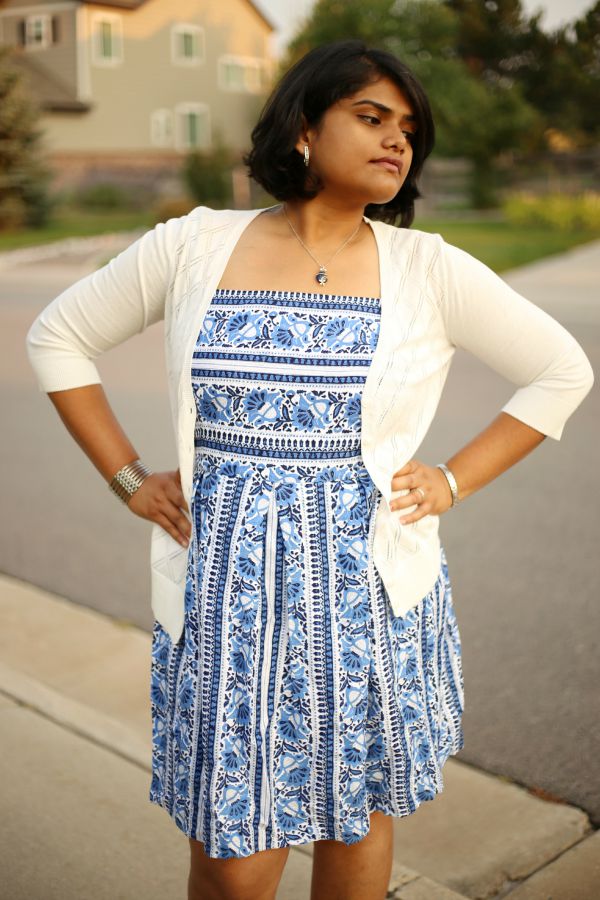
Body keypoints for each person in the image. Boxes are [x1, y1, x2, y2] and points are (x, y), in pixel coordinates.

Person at [26, 39, 593, 900]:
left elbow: (562, 370)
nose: (397, 141)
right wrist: (128, 478)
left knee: (355, 819)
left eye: (408, 128)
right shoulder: (193, 247)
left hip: (367, 600)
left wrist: (451, 479)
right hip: (230, 603)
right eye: (371, 117)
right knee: (232, 861)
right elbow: (58, 336)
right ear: (301, 127)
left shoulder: (425, 268)